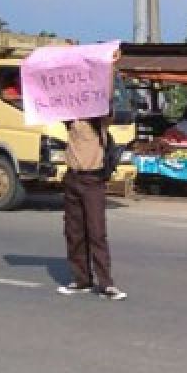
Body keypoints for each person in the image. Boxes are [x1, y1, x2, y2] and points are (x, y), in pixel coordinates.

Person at [57, 117, 126, 300]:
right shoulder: (69, 117)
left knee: (96, 232)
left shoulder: (100, 118)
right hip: (73, 177)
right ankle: (81, 280)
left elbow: (108, 101)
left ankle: (106, 284)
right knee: (73, 231)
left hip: (93, 180)